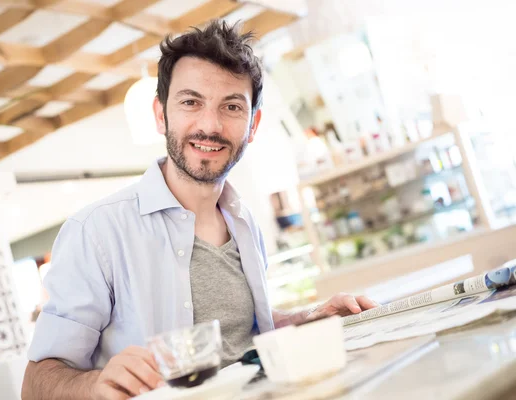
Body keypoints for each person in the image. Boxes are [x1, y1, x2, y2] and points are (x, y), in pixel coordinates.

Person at [21, 20, 378, 400]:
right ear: (161, 115)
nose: (210, 125)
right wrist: (95, 384)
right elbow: (35, 383)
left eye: (231, 106)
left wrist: (307, 319)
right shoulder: (96, 232)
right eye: (191, 102)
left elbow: (237, 333)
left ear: (252, 124)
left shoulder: (244, 220)